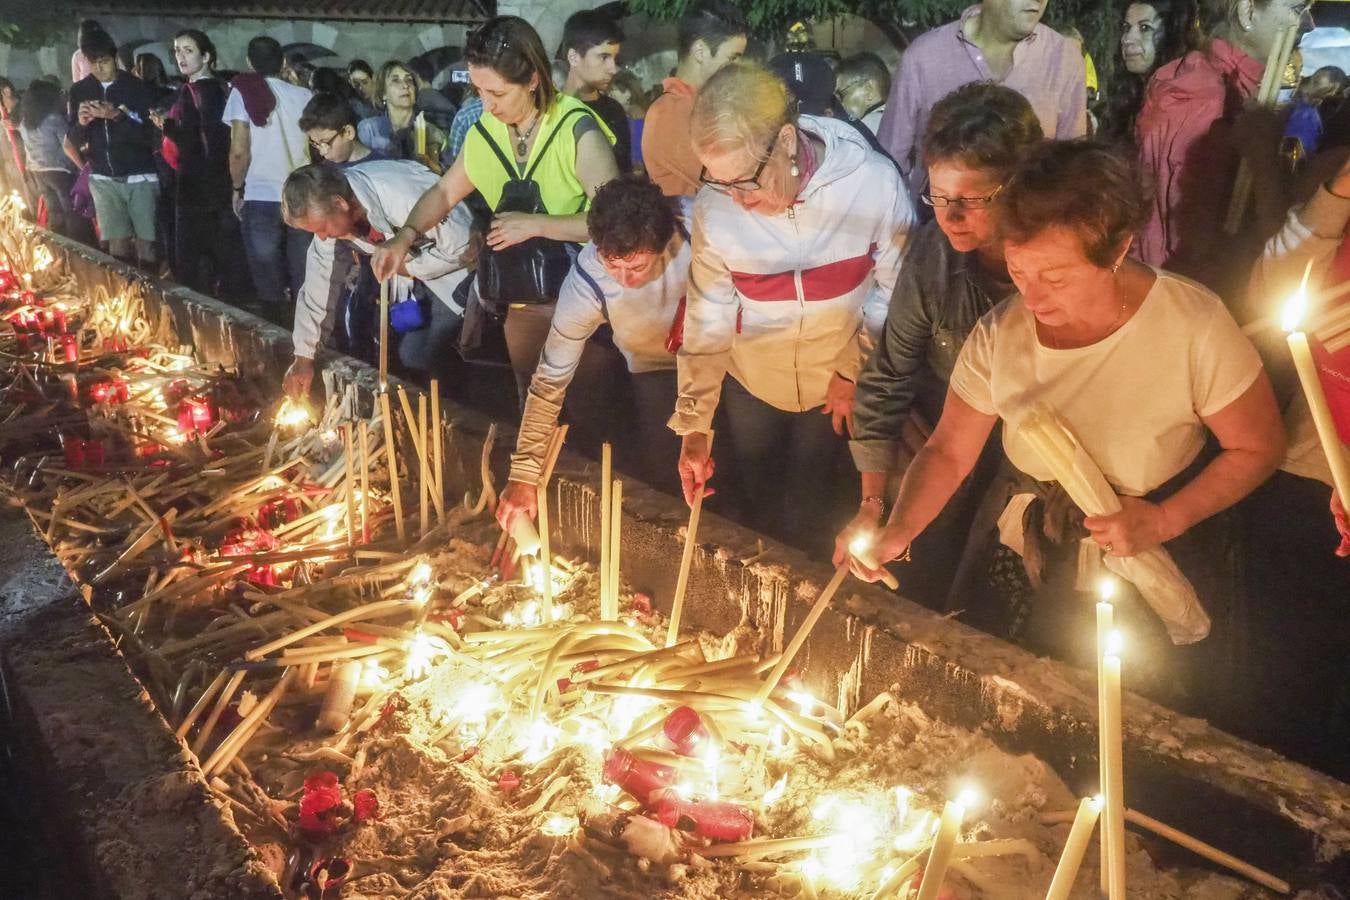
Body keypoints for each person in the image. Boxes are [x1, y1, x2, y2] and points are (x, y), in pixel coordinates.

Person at [850, 141, 1284, 716]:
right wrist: (899, 527)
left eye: (1054, 274)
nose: (1031, 295)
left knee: (1121, 719)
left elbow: (1257, 445)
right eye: (1018, 270)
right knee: (1001, 699)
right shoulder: (1000, 332)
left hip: (1151, 534)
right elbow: (950, 449)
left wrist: (1163, 518)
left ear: (1118, 248)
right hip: (1026, 540)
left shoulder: (1192, 325)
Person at [672, 63, 915, 552]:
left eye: (747, 181)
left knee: (812, 505)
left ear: (786, 140)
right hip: (753, 380)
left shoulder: (873, 185)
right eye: (720, 183)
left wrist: (852, 368)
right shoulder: (715, 208)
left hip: (834, 384)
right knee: (758, 502)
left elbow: (895, 291)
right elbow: (708, 314)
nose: (738, 201)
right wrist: (695, 425)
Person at [840, 83, 1043, 611]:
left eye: (971, 200)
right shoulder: (934, 255)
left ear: (1021, 187)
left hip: (1041, 463)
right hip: (942, 442)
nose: (950, 217)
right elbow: (888, 376)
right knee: (915, 580)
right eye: (938, 196)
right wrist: (873, 503)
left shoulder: (1060, 261)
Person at [371, 16, 621, 406]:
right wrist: (404, 236)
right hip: (522, 295)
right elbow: (443, 191)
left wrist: (535, 225)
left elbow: (616, 223)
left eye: (498, 93)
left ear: (533, 80)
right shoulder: (485, 133)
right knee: (533, 402)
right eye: (479, 90)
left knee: (583, 408)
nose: (486, 104)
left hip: (586, 298)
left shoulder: (577, 129)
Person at [498, 175, 691, 529]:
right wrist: (525, 471)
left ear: (664, 245)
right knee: (667, 467)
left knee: (745, 459)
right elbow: (550, 378)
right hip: (654, 367)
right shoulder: (588, 277)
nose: (624, 280)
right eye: (613, 265)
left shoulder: (697, 229)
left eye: (636, 267)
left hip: (728, 359)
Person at [1135, 0, 1313, 290]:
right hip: (1190, 296)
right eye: (1296, 8)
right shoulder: (1208, 99)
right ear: (1247, 11)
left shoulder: (1224, 87)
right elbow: (1187, 239)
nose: (1308, 23)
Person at [283, 161, 474, 397]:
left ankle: (452, 412)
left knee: (424, 357)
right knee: (400, 354)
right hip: (412, 283)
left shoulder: (402, 193)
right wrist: (304, 356)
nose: (321, 237)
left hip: (457, 277)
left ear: (339, 203)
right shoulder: (330, 210)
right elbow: (319, 282)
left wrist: (407, 266)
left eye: (321, 228)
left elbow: (468, 245)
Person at [876, 0, 1087, 199]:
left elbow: (1072, 169)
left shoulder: (1064, 59)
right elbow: (889, 163)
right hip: (940, 227)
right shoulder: (923, 57)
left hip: (1028, 230)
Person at [152, 29, 245, 298]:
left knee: (191, 261)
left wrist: (166, 125)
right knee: (223, 259)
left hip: (196, 187)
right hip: (219, 184)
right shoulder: (222, 88)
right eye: (177, 50)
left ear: (206, 56)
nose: (180, 56)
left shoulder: (195, 91)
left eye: (188, 50)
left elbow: (197, 142)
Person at [224, 36, 314, 313]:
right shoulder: (304, 96)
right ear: (283, 62)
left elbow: (239, 151)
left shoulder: (242, 93)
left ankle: (276, 330)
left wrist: (237, 188)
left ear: (250, 63)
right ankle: (305, 334)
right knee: (303, 272)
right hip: (301, 193)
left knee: (267, 277)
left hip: (261, 194)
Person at [65, 29, 161, 269]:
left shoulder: (137, 88)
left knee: (146, 242)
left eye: (104, 61)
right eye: (92, 63)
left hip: (140, 175)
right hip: (102, 176)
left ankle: (148, 295)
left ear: (114, 58)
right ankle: (124, 297)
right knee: (116, 244)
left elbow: (152, 136)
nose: (98, 68)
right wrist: (82, 123)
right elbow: (72, 138)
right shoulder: (80, 90)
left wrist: (116, 115)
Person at [642, 0, 748, 197]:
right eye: (733, 57)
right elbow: (728, 182)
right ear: (700, 51)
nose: (738, 66)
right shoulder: (670, 112)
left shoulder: (705, 104)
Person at [558, 9, 631, 172]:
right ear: (574, 57)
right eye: (603, 57)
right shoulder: (550, 111)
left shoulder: (614, 111)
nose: (613, 68)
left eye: (614, 58)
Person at [18, 80, 88, 241]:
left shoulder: (25, 122)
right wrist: (82, 167)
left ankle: (57, 245)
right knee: (72, 212)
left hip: (37, 172)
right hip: (60, 171)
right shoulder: (54, 119)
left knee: (54, 212)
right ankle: (78, 249)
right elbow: (68, 144)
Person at [357, 61, 450, 170]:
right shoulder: (369, 130)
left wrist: (429, 163)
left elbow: (448, 174)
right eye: (396, 81)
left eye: (409, 80)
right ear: (383, 93)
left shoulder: (434, 134)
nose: (405, 86)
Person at [301, 92, 385, 168]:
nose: (322, 153)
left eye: (325, 143)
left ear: (348, 132)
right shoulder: (323, 172)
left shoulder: (382, 166)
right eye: (316, 144)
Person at [835, 52, 890, 138]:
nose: (840, 105)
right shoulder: (898, 121)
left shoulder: (865, 131)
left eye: (842, 95)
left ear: (869, 91)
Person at [608, 70, 649, 171]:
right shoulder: (628, 112)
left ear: (628, 93)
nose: (609, 94)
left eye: (614, 89)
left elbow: (637, 155)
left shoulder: (635, 114)